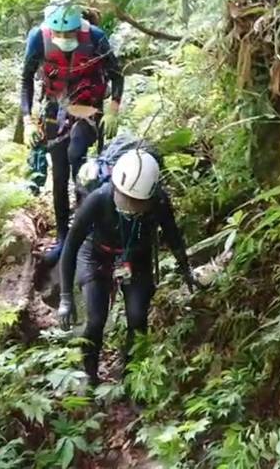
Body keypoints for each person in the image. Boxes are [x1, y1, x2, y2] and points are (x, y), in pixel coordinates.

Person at [57, 149, 195, 386]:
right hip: (96, 254)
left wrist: (185, 269)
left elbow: (172, 234)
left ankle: (133, 381)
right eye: (125, 198)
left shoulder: (159, 201)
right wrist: (66, 297)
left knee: (138, 318)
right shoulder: (98, 199)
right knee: (95, 320)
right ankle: (89, 379)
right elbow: (70, 246)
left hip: (136, 257)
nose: (131, 207)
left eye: (138, 202)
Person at [20, 0, 124, 265]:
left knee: (77, 155)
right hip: (55, 109)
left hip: (88, 107)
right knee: (59, 172)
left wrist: (113, 109)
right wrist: (28, 120)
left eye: (70, 33)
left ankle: (87, 228)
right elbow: (26, 81)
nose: (65, 37)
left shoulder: (95, 37)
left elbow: (116, 74)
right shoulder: (38, 38)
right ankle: (64, 238)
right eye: (60, 33)